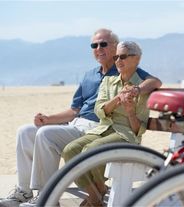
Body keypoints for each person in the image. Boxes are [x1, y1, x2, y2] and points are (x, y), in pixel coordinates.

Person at [0, 29, 161, 207]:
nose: (98, 48)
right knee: (25, 132)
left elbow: (153, 81)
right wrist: (48, 118)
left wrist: (134, 91)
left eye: (103, 44)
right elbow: (74, 110)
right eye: (94, 45)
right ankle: (24, 191)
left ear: (115, 47)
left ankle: (46, 197)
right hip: (76, 124)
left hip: (98, 126)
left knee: (46, 135)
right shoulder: (90, 75)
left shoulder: (124, 70)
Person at [62, 41, 150, 206]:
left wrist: (130, 111)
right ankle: (96, 194)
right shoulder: (108, 81)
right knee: (70, 150)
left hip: (127, 136)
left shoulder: (142, 88)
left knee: (90, 150)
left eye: (122, 56)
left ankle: (96, 195)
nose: (117, 61)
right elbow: (99, 110)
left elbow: (139, 131)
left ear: (137, 59)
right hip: (102, 129)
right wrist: (118, 99)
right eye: (116, 57)